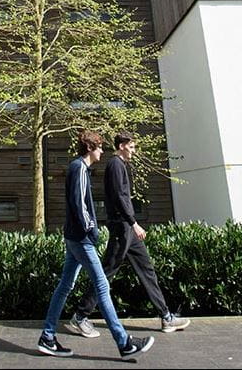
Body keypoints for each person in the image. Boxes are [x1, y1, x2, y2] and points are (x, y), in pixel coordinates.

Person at [37, 129, 155, 359]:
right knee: (102, 286)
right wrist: (92, 229)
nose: (102, 151)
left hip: (73, 237)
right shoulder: (79, 168)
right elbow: (80, 205)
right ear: (90, 148)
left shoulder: (78, 168)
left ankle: (48, 337)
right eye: (99, 147)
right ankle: (124, 343)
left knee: (65, 286)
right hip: (81, 239)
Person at [66, 131, 190, 338]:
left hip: (127, 230)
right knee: (106, 272)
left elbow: (124, 198)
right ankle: (80, 315)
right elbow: (119, 198)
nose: (134, 151)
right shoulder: (115, 165)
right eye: (132, 147)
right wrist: (134, 223)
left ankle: (166, 316)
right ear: (122, 145)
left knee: (146, 269)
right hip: (121, 229)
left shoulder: (121, 165)